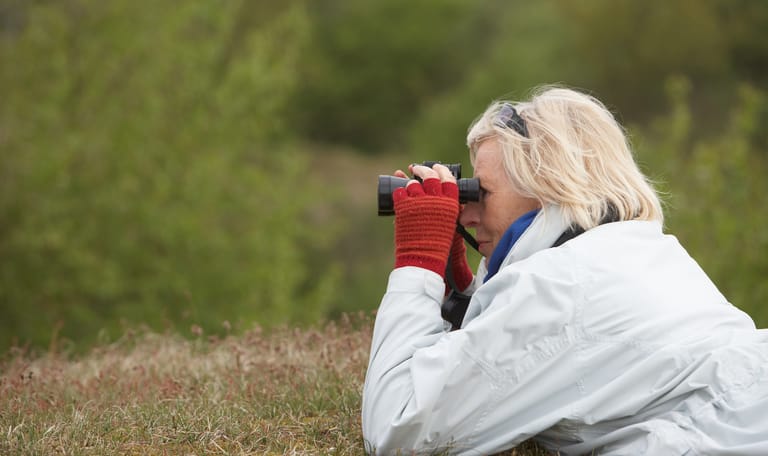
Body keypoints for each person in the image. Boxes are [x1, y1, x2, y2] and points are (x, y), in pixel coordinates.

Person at [361, 86, 768, 455]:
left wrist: (418, 262)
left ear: (546, 185)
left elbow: (397, 428)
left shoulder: (558, 288)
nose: (466, 212)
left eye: (480, 192)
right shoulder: (642, 250)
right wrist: (461, 298)